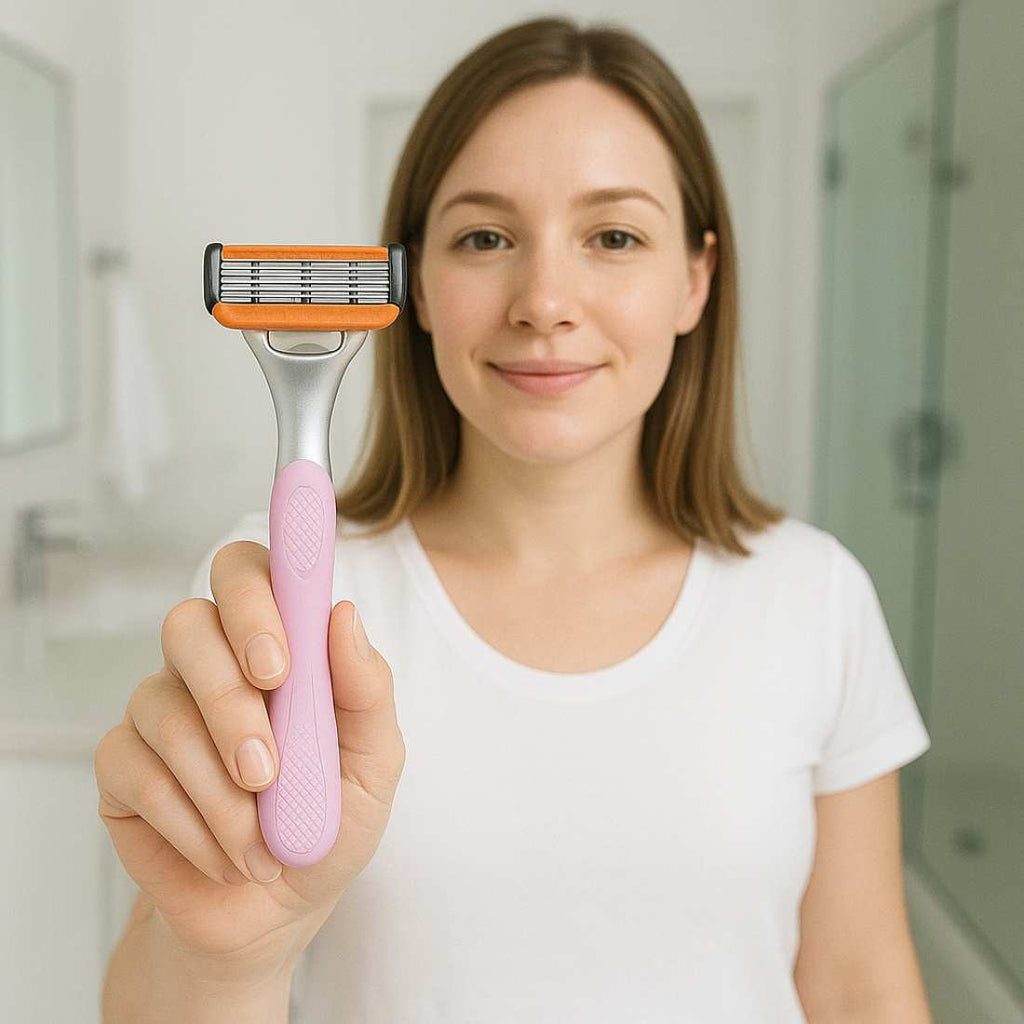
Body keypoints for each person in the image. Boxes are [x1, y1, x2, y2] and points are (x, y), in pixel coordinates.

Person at [95, 16, 934, 1023]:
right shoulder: (285, 607)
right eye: (484, 237)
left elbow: (858, 987)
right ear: (411, 285)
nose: (543, 299)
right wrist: (226, 956)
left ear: (695, 279)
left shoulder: (814, 595)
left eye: (613, 236)